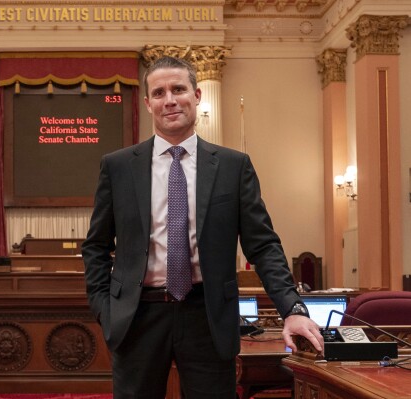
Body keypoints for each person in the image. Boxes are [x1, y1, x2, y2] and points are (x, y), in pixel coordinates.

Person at [82, 55, 324, 399]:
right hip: (138, 316)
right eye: (160, 92)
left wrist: (293, 309)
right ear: (148, 102)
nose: (170, 100)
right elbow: (96, 246)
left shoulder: (233, 166)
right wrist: (106, 310)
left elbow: (263, 245)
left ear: (196, 95)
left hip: (207, 316)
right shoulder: (118, 167)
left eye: (178, 89)